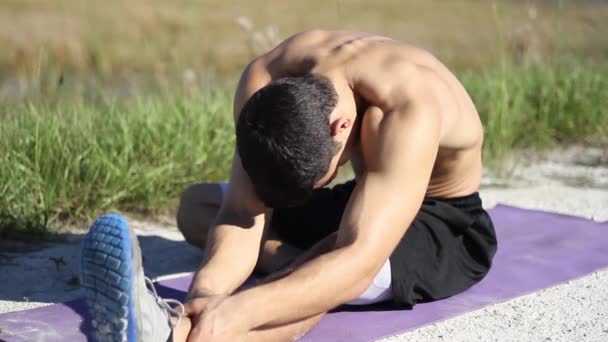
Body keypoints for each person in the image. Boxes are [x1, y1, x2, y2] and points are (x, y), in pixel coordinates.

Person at [80, 30, 497, 341]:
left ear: (341, 126)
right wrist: (206, 292)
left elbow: (357, 259)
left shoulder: (405, 107)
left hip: (443, 223)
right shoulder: (265, 80)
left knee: (335, 262)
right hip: (365, 197)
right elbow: (244, 212)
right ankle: (290, 273)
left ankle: (174, 332)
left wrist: (235, 312)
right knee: (198, 206)